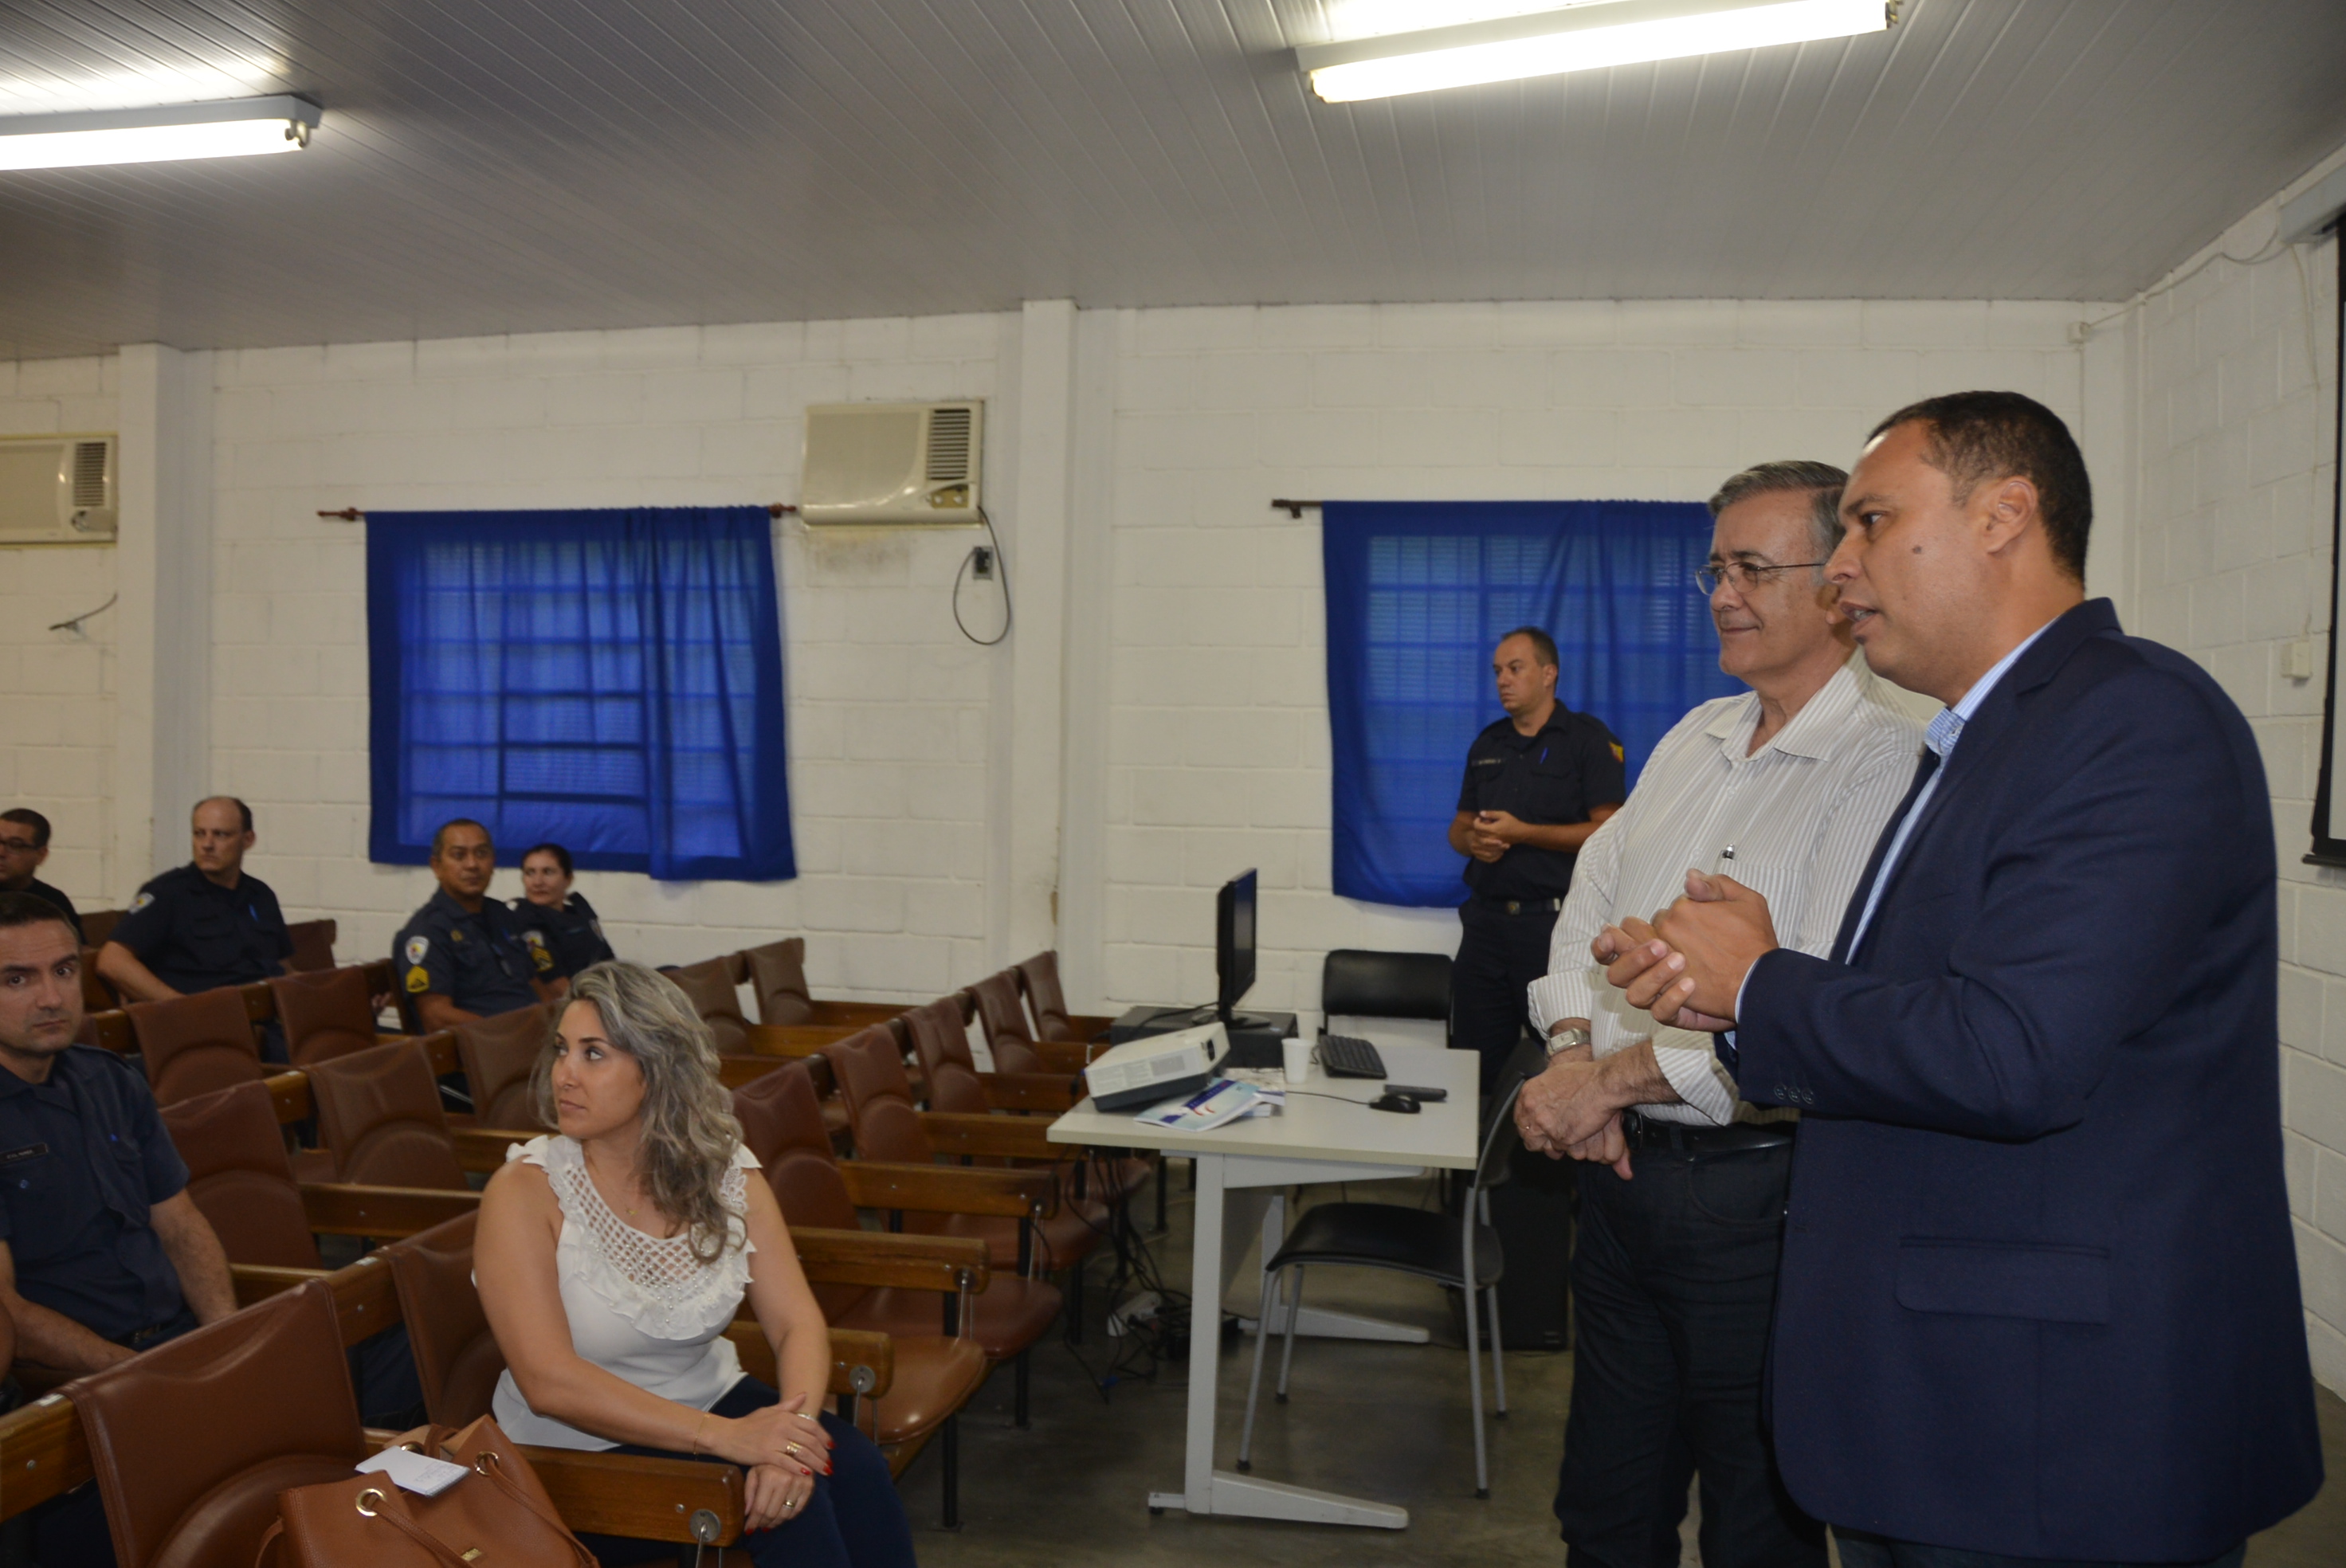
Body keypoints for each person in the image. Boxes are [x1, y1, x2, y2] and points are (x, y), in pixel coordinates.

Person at [1595, 393, 2322, 1566]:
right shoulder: (1986, 735)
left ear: (2004, 515)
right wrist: (1748, 977)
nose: (1841, 564)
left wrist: (1767, 986)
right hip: (1954, 1399)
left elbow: (2015, 1052)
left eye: (1873, 521)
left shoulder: (2131, 718)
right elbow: (1946, 1006)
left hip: (2055, 1425)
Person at [1516, 461, 1924, 1568]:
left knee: (1758, 1527)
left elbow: (1808, 1012)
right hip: (1621, 1186)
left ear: (1838, 584)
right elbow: (1588, 902)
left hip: (1760, 1208)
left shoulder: (1883, 764)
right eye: (1714, 570)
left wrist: (1601, 1086)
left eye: (1751, 568)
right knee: (1605, 1512)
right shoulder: (1692, 737)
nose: (1722, 594)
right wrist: (1571, 1054)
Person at [474, 962, 916, 1568]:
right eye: (561, 1050)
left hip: (711, 1402)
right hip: (571, 1453)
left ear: (658, 1070)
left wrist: (790, 1441)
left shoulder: (725, 1172)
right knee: (788, 1511)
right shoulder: (525, 1191)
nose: (564, 1075)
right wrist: (730, 1439)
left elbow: (796, 1324)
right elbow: (548, 1382)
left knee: (855, 1466)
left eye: (594, 1054)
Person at [0, 891, 240, 1566]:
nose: (51, 998)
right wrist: (142, 1379)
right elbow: (9, 1313)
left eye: (63, 971)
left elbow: (181, 1225)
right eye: (17, 980)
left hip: (168, 1352)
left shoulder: (110, 1079)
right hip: (67, 1387)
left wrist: (227, 1344)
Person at [1448, 626, 1626, 1090]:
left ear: (1549, 674)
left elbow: (1610, 832)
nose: (1503, 680)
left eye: (1515, 668)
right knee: (1473, 1066)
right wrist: (1475, 842)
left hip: (1552, 930)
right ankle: (1479, 1140)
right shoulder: (1488, 744)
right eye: (1497, 671)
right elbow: (1458, 828)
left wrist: (1523, 833)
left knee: (1562, 1064)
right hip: (1485, 928)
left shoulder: (1588, 740)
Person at [97, 798, 294, 1004]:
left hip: (265, 1011)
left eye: (220, 835)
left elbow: (282, 966)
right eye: (199, 834)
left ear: (248, 840)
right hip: (208, 1016)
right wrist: (185, 1008)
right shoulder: (168, 893)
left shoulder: (261, 895)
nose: (207, 845)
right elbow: (112, 961)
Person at [393, 820, 547, 1032]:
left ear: (493, 862)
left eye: (481, 854)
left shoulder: (500, 914)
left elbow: (533, 983)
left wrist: (557, 1021)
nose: (472, 864)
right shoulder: (428, 931)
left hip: (533, 1035)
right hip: (484, 1045)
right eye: (459, 855)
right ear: (437, 866)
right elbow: (435, 1017)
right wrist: (509, 1034)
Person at [510, 843, 617, 998]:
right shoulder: (526, 922)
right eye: (530, 873)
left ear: (568, 879)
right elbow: (556, 986)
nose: (538, 882)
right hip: (573, 1003)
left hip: (601, 995)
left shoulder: (580, 913)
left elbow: (609, 962)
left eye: (548, 872)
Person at [2, 808, 85, 943]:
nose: (1, 852)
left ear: (41, 855)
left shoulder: (53, 901)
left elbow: (76, 950)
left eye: (15, 845)